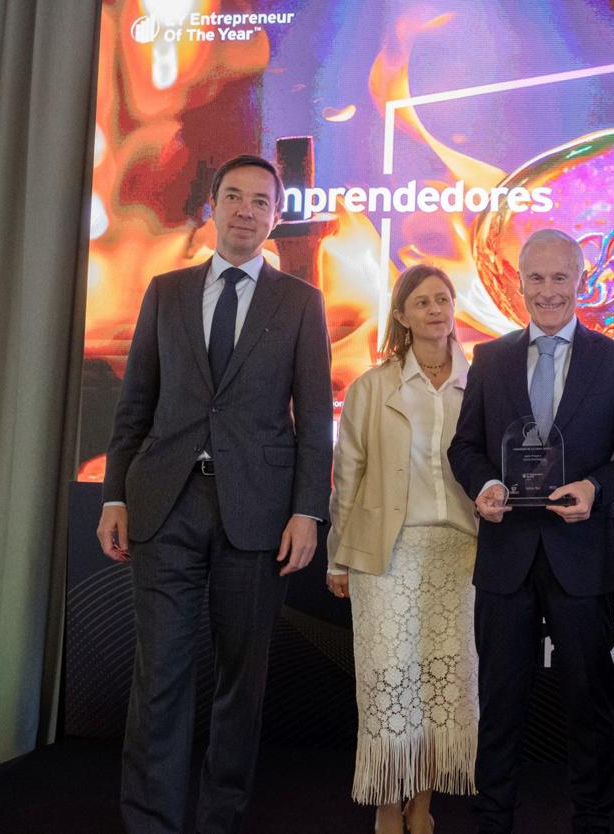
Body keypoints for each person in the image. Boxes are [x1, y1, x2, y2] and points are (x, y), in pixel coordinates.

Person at [96, 154, 333, 834]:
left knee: (240, 680)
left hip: (258, 514)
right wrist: (115, 494)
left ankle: (219, 817)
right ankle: (152, 822)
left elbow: (314, 419)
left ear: (275, 217)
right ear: (213, 205)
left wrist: (307, 510)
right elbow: (134, 405)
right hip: (164, 503)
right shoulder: (166, 293)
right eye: (233, 196)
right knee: (161, 677)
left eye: (261, 201)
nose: (245, 211)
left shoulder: (300, 303)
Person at [447, 229, 614, 834]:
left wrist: (596, 488)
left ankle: (592, 821)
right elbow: (464, 449)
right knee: (502, 704)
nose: (548, 290)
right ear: (519, 283)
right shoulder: (491, 358)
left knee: (590, 703)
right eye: (536, 277)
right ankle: (493, 821)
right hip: (506, 556)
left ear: (581, 282)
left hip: (581, 556)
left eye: (561, 277)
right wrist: (482, 486)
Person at [325, 264, 479, 834]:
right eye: (422, 302)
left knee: (445, 682)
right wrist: (338, 556)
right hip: (385, 554)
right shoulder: (372, 386)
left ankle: (424, 804)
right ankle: (389, 805)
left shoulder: (482, 382)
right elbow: (349, 474)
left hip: (460, 554)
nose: (435, 309)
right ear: (402, 315)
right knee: (390, 682)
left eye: (443, 298)